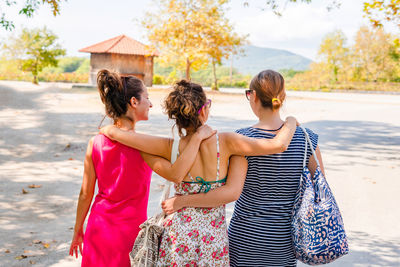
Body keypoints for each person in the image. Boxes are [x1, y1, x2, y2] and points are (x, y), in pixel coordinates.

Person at [100, 79, 298, 266]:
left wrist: (108, 129)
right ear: (203, 111)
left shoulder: (170, 146)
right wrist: (290, 120)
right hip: (212, 239)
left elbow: (117, 133)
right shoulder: (227, 141)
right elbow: (278, 145)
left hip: (177, 237)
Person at [162, 70, 324, 266]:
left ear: (253, 96)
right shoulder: (308, 139)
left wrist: (182, 201)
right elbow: (319, 190)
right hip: (285, 242)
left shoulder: (243, 138)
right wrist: (290, 121)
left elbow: (231, 191)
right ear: (282, 98)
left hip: (245, 239)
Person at [68, 70, 217, 267]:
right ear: (134, 102)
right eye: (146, 97)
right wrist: (198, 137)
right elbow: (176, 173)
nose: (151, 103)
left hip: (98, 228)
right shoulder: (143, 147)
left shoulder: (95, 143)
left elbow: (85, 194)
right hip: (129, 233)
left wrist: (78, 230)